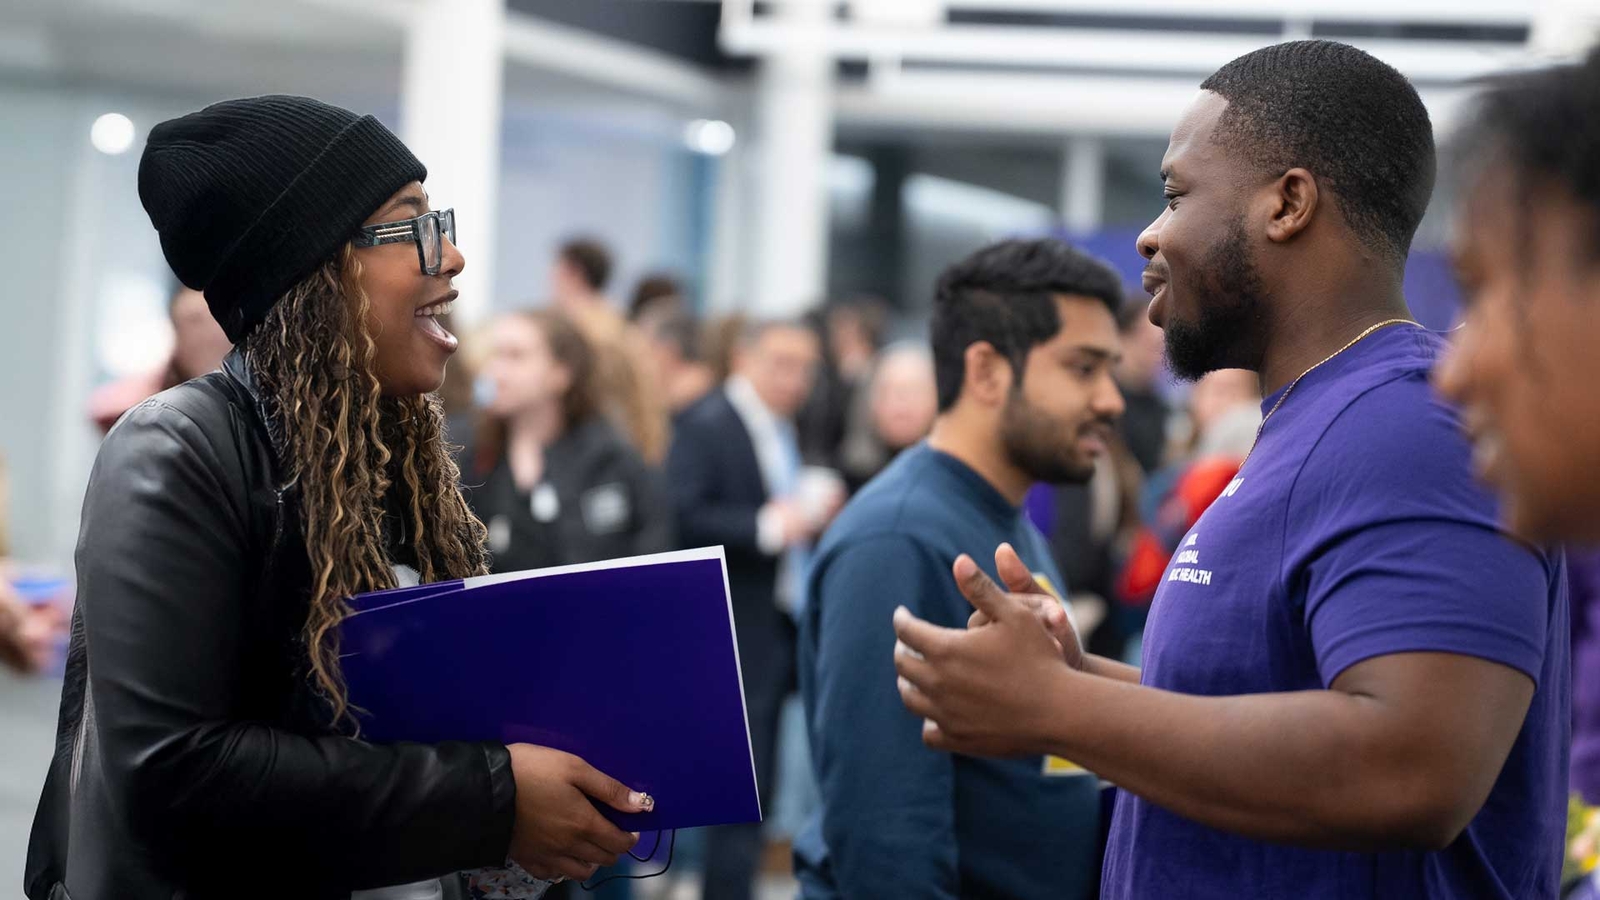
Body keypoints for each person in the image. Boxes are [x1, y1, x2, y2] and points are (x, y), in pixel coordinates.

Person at [891, 40, 1569, 900]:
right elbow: (1272, 692)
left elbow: (1411, 766)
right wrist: (1073, 680)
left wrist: (1060, 710)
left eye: (1177, 195)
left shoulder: (1407, 425)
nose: (1151, 231)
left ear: (1287, 204)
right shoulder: (1320, 413)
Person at [25, 96, 652, 900]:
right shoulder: (178, 449)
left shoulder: (390, 457)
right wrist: (493, 798)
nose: (453, 256)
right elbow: (172, 768)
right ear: (316, 268)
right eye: (411, 225)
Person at [796, 239, 1123, 900]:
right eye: (1083, 368)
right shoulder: (897, 539)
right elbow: (885, 836)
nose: (1111, 399)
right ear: (987, 372)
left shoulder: (1001, 519)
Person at [665, 318, 838, 900]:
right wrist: (768, 527)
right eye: (782, 363)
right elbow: (681, 515)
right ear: (744, 357)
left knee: (763, 782)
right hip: (732, 626)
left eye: (806, 368)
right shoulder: (709, 421)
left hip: (779, 622)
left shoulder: (779, 425)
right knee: (742, 787)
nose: (795, 379)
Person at [464, 309, 674, 573]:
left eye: (516, 356)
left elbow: (653, 546)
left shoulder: (608, 457)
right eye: (495, 355)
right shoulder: (470, 455)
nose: (497, 371)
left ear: (561, 373)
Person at [548, 236, 670, 465]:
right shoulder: (624, 327)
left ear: (572, 273)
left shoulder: (570, 333)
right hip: (628, 445)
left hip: (585, 450)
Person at [88, 286, 234, 433]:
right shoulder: (142, 401)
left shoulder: (240, 393)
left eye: (214, 320)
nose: (206, 335)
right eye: (194, 321)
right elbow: (106, 407)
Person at [835, 342, 939, 492]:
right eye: (889, 391)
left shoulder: (951, 477)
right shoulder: (848, 479)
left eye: (913, 391)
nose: (901, 402)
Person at [1113, 299, 1172, 474]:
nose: (1159, 354)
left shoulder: (1162, 409)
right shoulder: (1104, 403)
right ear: (1123, 338)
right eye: (1151, 343)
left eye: (1163, 345)